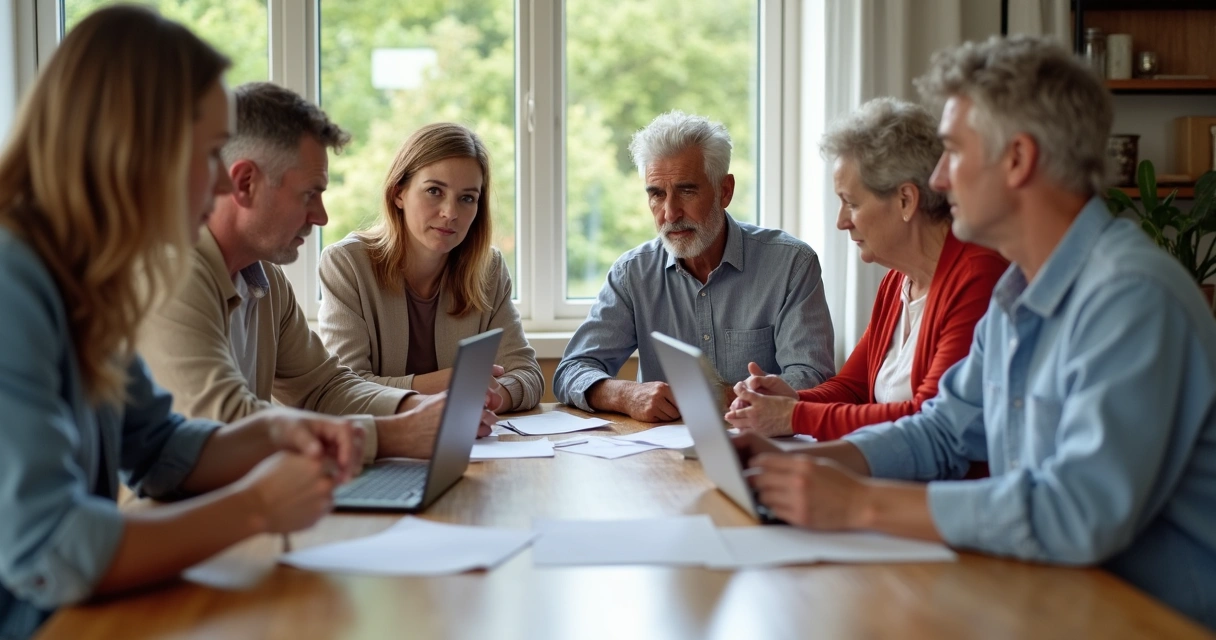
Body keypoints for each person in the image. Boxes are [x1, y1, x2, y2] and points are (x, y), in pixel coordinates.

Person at [741, 35, 1216, 630]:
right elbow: (944, 430)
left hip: (1147, 620)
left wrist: (859, 502)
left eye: (954, 152)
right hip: (1048, 596)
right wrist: (807, 465)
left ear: (1017, 159)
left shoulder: (1130, 297)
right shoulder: (1019, 292)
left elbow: (1080, 513)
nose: (938, 177)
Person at [0, 8, 362, 638]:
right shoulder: (12, 281)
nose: (225, 179)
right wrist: (254, 508)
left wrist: (280, 430)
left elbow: (159, 447)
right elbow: (50, 548)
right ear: (133, 148)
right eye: (212, 152)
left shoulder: (86, 279)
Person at [139, 83, 497, 465]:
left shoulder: (266, 282)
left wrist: (417, 407)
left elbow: (323, 388)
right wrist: (397, 433)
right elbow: (222, 422)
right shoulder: (168, 270)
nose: (321, 217)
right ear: (244, 183)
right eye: (309, 194)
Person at [724, 98, 1007, 440]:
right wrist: (788, 400)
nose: (841, 221)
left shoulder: (978, 276)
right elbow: (852, 388)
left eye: (851, 203)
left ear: (906, 200)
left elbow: (926, 419)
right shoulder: (897, 281)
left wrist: (795, 415)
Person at [554, 110, 836, 422]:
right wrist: (626, 394)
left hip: (763, 447)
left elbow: (815, 380)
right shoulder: (633, 273)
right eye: (657, 195)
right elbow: (571, 371)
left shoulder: (791, 265)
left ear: (724, 191)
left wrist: (726, 396)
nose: (670, 212)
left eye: (687, 190)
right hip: (659, 455)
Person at [318, 123, 542, 412]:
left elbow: (528, 375)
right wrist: (451, 383)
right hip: (378, 446)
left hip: (471, 441)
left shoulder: (489, 268)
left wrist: (487, 399)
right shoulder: (346, 264)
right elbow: (345, 389)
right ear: (399, 193)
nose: (450, 213)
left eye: (467, 198)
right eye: (435, 191)